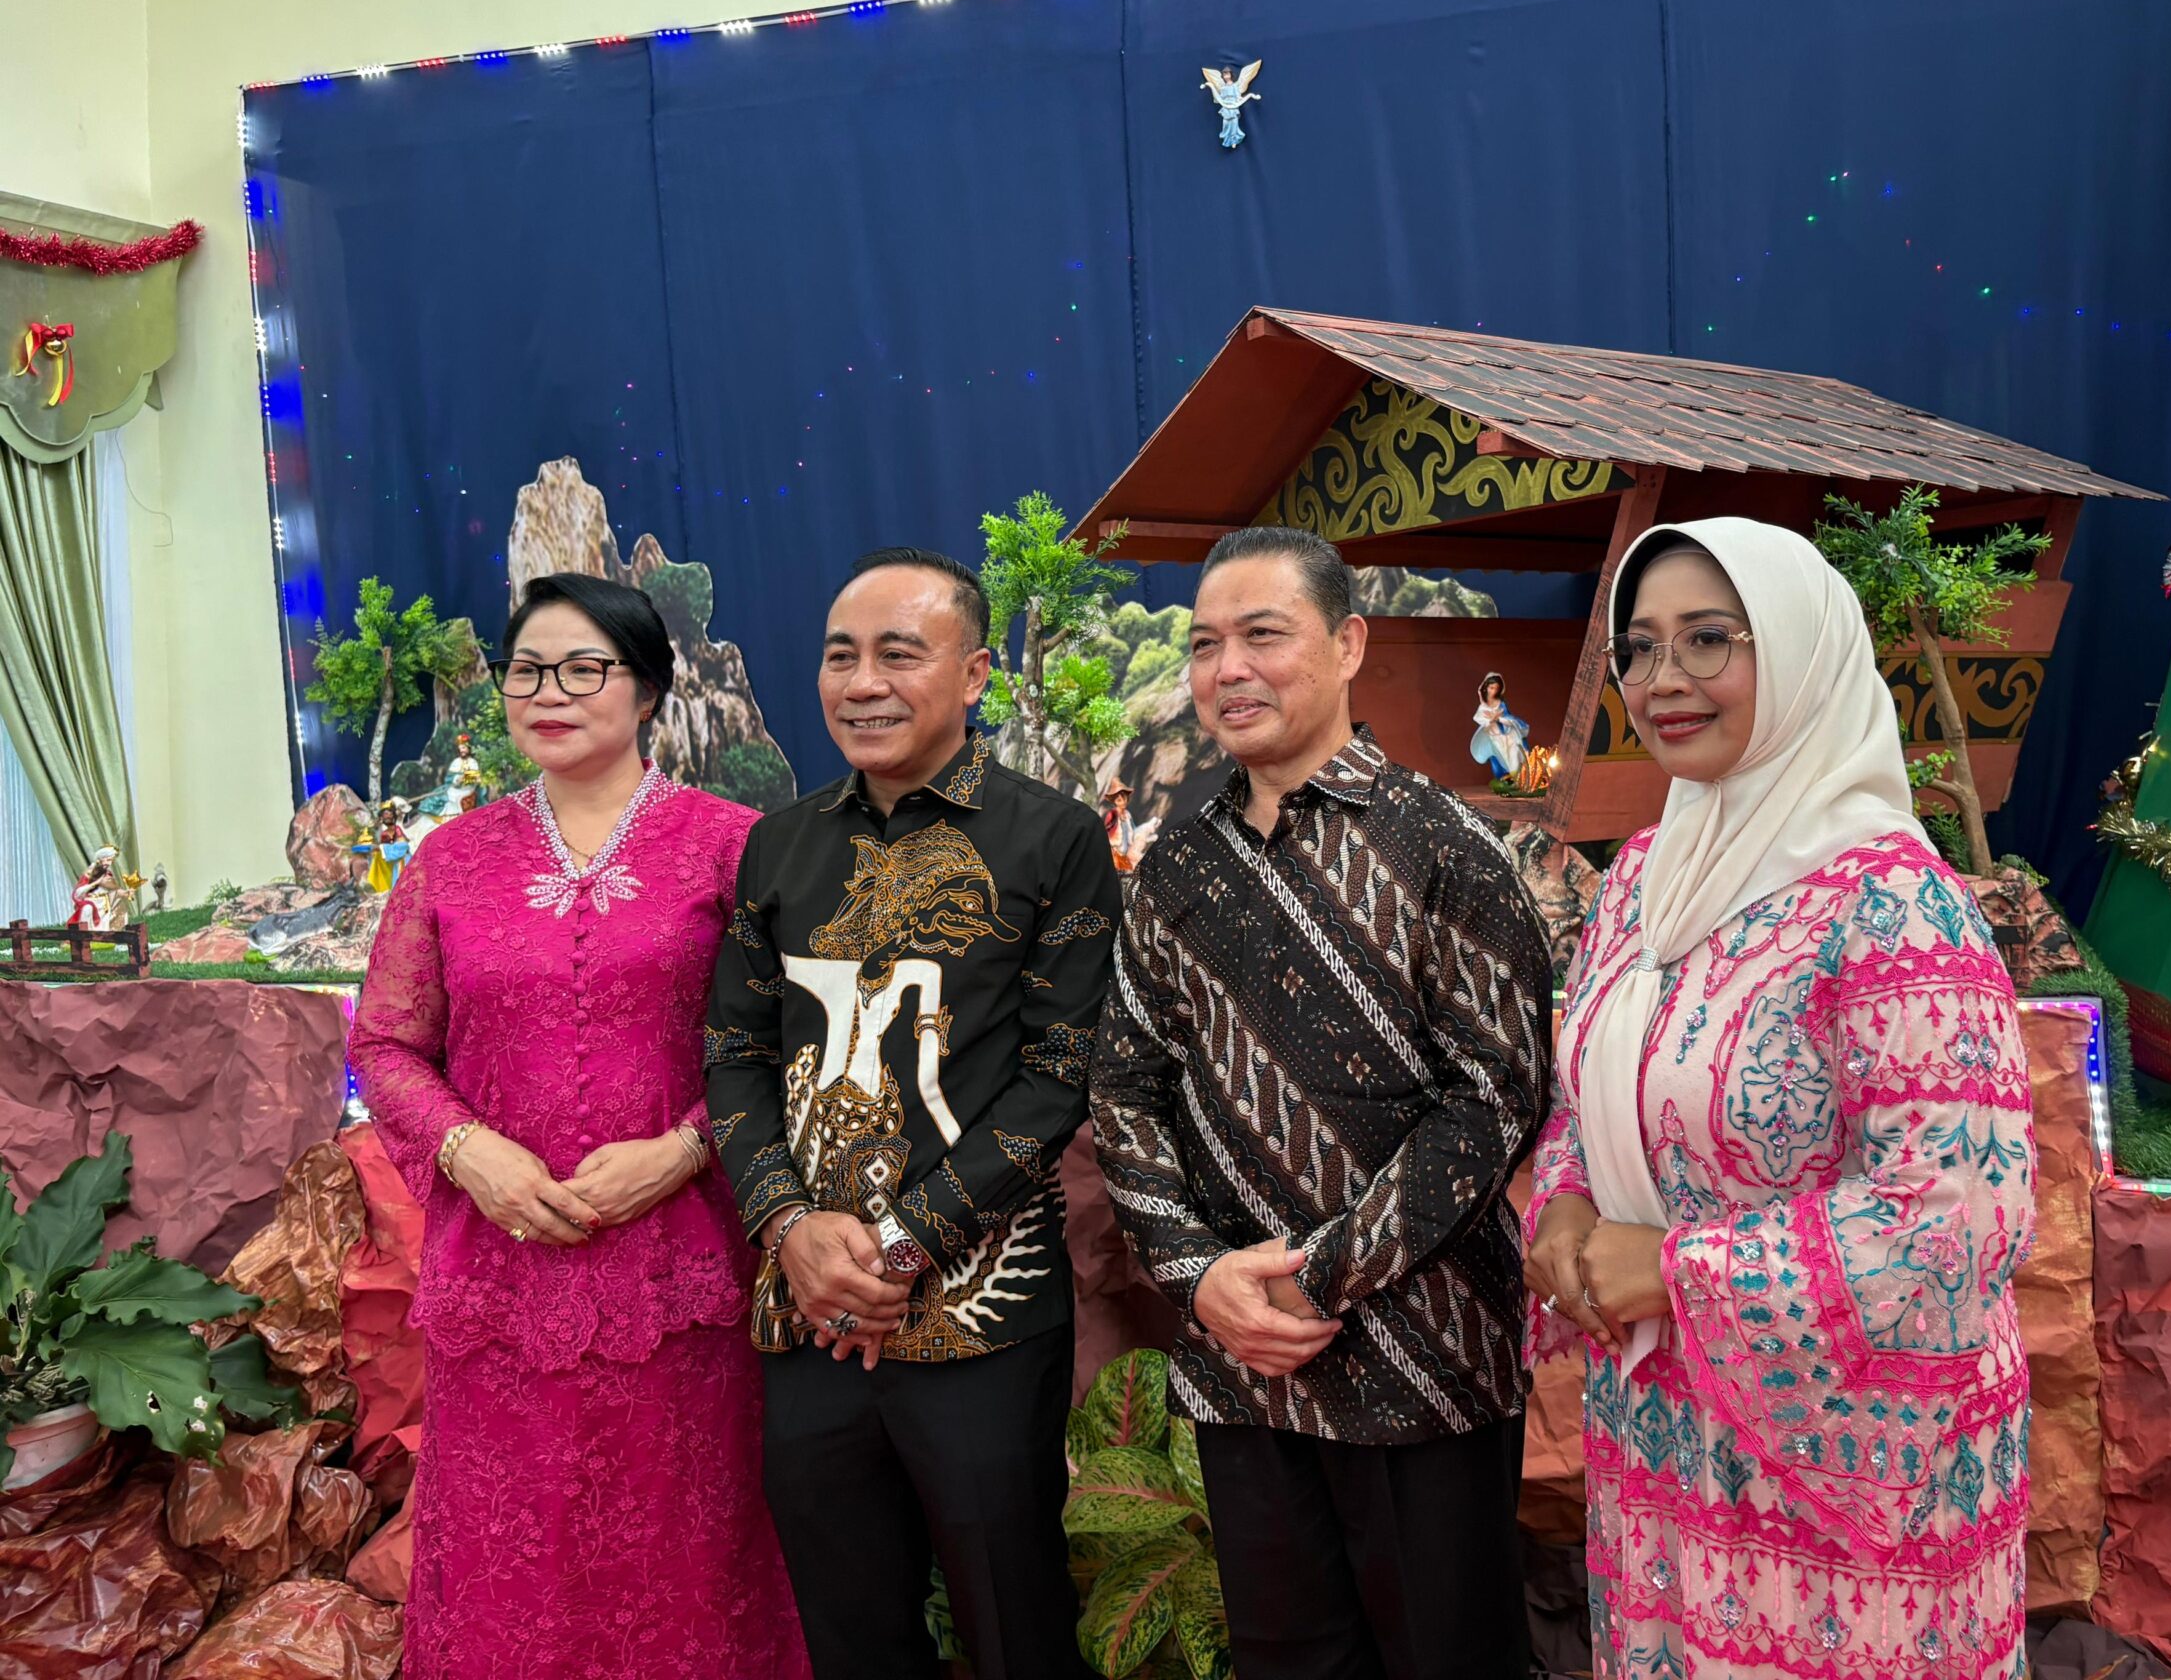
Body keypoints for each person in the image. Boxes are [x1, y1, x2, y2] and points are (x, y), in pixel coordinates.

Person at [1522, 518, 2033, 1680]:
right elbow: (1591, 1096)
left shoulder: (1894, 905)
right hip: (1664, 1429)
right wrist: (1566, 1204)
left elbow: (1956, 1217)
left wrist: (1677, 1271)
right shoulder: (1642, 880)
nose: (1663, 680)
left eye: (1709, 639)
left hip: (1856, 1473)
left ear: (1803, 653)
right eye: (1639, 648)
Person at [1092, 526, 1552, 1680]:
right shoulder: (1177, 867)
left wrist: (1312, 1278)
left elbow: (1494, 1100)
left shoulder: (1446, 846)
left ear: (1347, 645)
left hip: (1426, 1354)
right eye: (1206, 645)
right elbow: (1126, 1087)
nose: (1228, 669)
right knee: (1287, 1659)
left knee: (1450, 1657)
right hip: (1241, 1366)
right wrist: (1199, 1276)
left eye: (1262, 635)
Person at [348, 573, 806, 1680]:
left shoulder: (736, 846)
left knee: (688, 1550)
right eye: (527, 671)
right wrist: (473, 1154)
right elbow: (385, 1047)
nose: (549, 693)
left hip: (684, 1269)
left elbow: (795, 1038)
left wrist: (685, 1149)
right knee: (515, 1560)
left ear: (647, 689)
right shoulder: (452, 861)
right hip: (499, 1272)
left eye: (583, 669)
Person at [702, 547, 1120, 1680]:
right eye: (840, 656)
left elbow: (1059, 1077)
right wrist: (791, 1230)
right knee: (849, 1625)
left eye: (899, 654)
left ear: (975, 674)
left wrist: (895, 1250)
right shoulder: (778, 844)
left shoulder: (1054, 838)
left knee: (1012, 1619)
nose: (863, 683)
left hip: (982, 1316)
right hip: (806, 1307)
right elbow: (735, 1052)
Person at [1471, 671, 1532, 780]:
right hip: (1493, 736)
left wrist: (1498, 718)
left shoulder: (1501, 703)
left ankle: (1519, 775)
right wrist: (1491, 719)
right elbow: (1480, 718)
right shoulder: (1483, 706)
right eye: (1491, 688)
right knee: (1500, 754)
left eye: (1496, 688)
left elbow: (1507, 717)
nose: (1493, 691)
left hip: (1507, 732)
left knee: (1514, 750)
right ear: (1486, 687)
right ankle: (1505, 776)